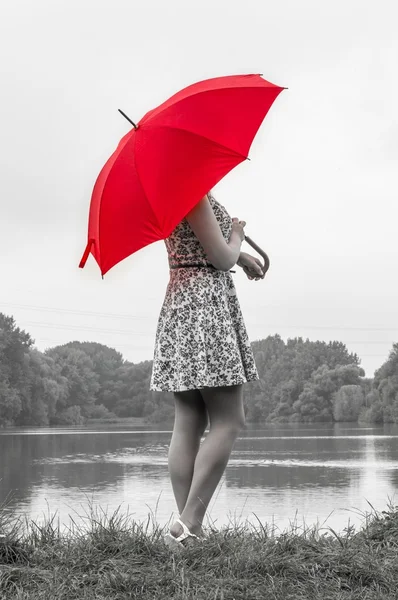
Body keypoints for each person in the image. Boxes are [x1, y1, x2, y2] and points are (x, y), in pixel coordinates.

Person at [149, 191, 265, 549]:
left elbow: (202, 247)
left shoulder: (168, 191)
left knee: (189, 418)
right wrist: (237, 236)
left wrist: (240, 255)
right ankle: (188, 524)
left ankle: (187, 532)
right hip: (206, 305)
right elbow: (219, 257)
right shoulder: (190, 192)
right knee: (229, 420)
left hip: (181, 302)